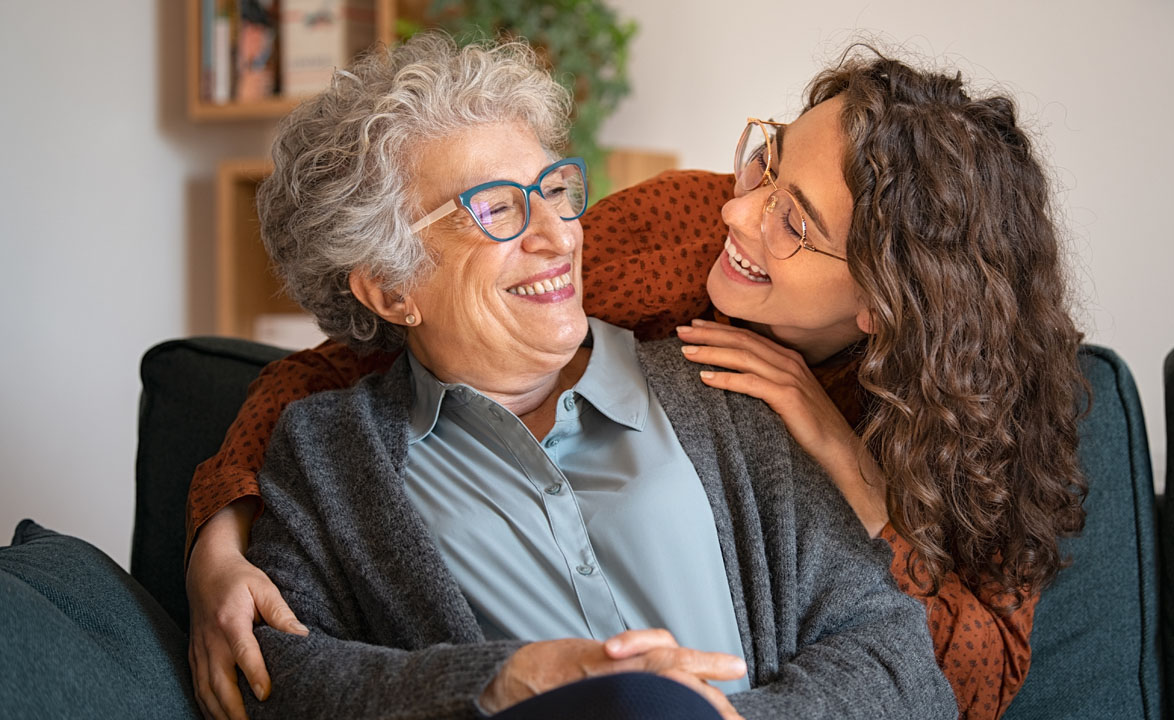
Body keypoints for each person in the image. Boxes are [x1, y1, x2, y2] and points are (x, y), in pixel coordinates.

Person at [186, 41, 1086, 720]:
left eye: (794, 221)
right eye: (499, 207)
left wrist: (850, 473)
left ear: (883, 305)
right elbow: (283, 669)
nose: (558, 234)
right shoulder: (684, 246)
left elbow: (927, 670)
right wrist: (216, 535)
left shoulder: (748, 407)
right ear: (388, 285)